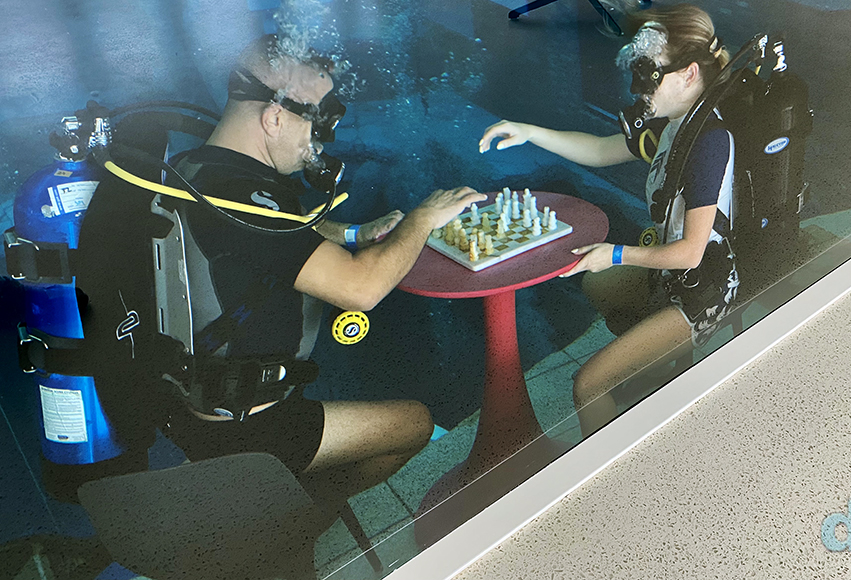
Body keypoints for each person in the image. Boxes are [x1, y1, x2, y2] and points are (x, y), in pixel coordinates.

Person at [74, 34, 486, 514]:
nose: (318, 145)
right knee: (413, 423)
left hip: (191, 407)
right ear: (273, 118)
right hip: (246, 428)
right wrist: (424, 217)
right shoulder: (240, 197)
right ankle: (303, 516)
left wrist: (352, 234)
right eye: (316, 125)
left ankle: (270, 502)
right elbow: (361, 289)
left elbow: (271, 233)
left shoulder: (196, 171)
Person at [478, 4, 737, 436]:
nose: (638, 89)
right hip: (673, 275)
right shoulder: (674, 126)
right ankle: (656, 366)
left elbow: (692, 253)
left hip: (703, 291)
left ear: (689, 74)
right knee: (596, 285)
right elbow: (599, 150)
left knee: (588, 385)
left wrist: (615, 254)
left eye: (649, 74)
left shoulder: (709, 141)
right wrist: (530, 131)